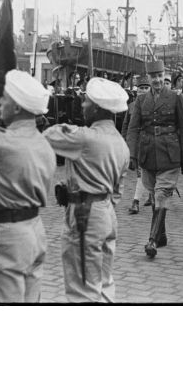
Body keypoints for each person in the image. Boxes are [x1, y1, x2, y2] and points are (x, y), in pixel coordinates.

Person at [0, 70, 56, 303]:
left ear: (16, 108)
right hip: (34, 229)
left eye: (4, 98)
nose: (0, 102)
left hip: (7, 236)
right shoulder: (42, 143)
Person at [44, 77, 130, 302]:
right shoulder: (122, 143)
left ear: (98, 108)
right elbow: (118, 190)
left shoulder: (85, 137)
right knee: (104, 282)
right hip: (106, 212)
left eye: (86, 102)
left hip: (85, 214)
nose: (82, 106)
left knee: (82, 287)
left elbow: (48, 136)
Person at [126, 59, 183, 258]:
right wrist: (132, 154)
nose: (157, 80)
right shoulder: (140, 101)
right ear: (148, 78)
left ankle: (152, 240)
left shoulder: (175, 98)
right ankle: (161, 235)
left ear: (165, 76)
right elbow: (133, 128)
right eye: (153, 77)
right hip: (148, 154)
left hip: (169, 153)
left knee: (162, 194)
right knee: (154, 195)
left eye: (160, 76)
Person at [121, 75, 151, 215]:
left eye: (146, 88)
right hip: (137, 144)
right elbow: (126, 127)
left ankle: (143, 197)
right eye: (141, 88)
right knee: (141, 172)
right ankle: (136, 201)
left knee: (149, 172)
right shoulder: (131, 107)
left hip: (151, 143)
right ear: (136, 90)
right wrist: (125, 144)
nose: (144, 91)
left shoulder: (155, 104)